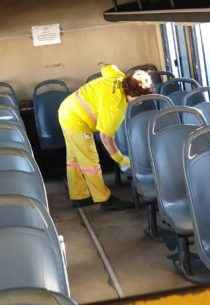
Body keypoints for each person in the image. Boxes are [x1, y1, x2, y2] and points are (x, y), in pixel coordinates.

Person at [57, 64, 153, 211]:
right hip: (75, 120)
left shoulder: (119, 78)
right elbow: (106, 138)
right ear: (134, 96)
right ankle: (104, 199)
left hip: (67, 108)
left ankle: (79, 195)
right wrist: (121, 159)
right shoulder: (115, 107)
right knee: (90, 160)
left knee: (74, 158)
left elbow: (106, 67)